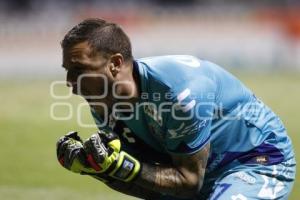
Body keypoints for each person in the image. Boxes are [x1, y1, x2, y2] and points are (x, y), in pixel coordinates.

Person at [56, 18, 296, 200]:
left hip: (256, 161)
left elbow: (188, 182)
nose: (69, 81)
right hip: (201, 175)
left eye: (79, 70)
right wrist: (97, 167)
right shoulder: (102, 104)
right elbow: (153, 185)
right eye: (67, 70)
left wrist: (120, 165)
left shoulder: (180, 93)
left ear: (115, 64)